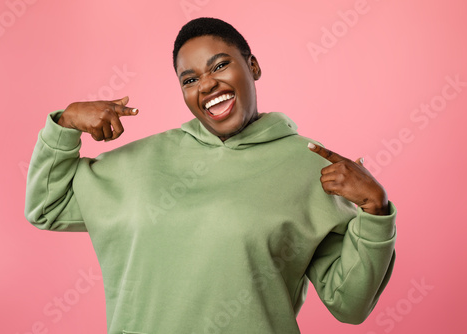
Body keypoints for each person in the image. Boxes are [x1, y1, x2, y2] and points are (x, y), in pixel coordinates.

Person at [25, 17, 396, 334]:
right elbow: (46, 207)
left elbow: (349, 304)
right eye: (189, 79)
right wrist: (65, 125)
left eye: (219, 66)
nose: (206, 85)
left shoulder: (311, 167)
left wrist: (375, 211)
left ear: (252, 66)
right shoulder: (138, 162)